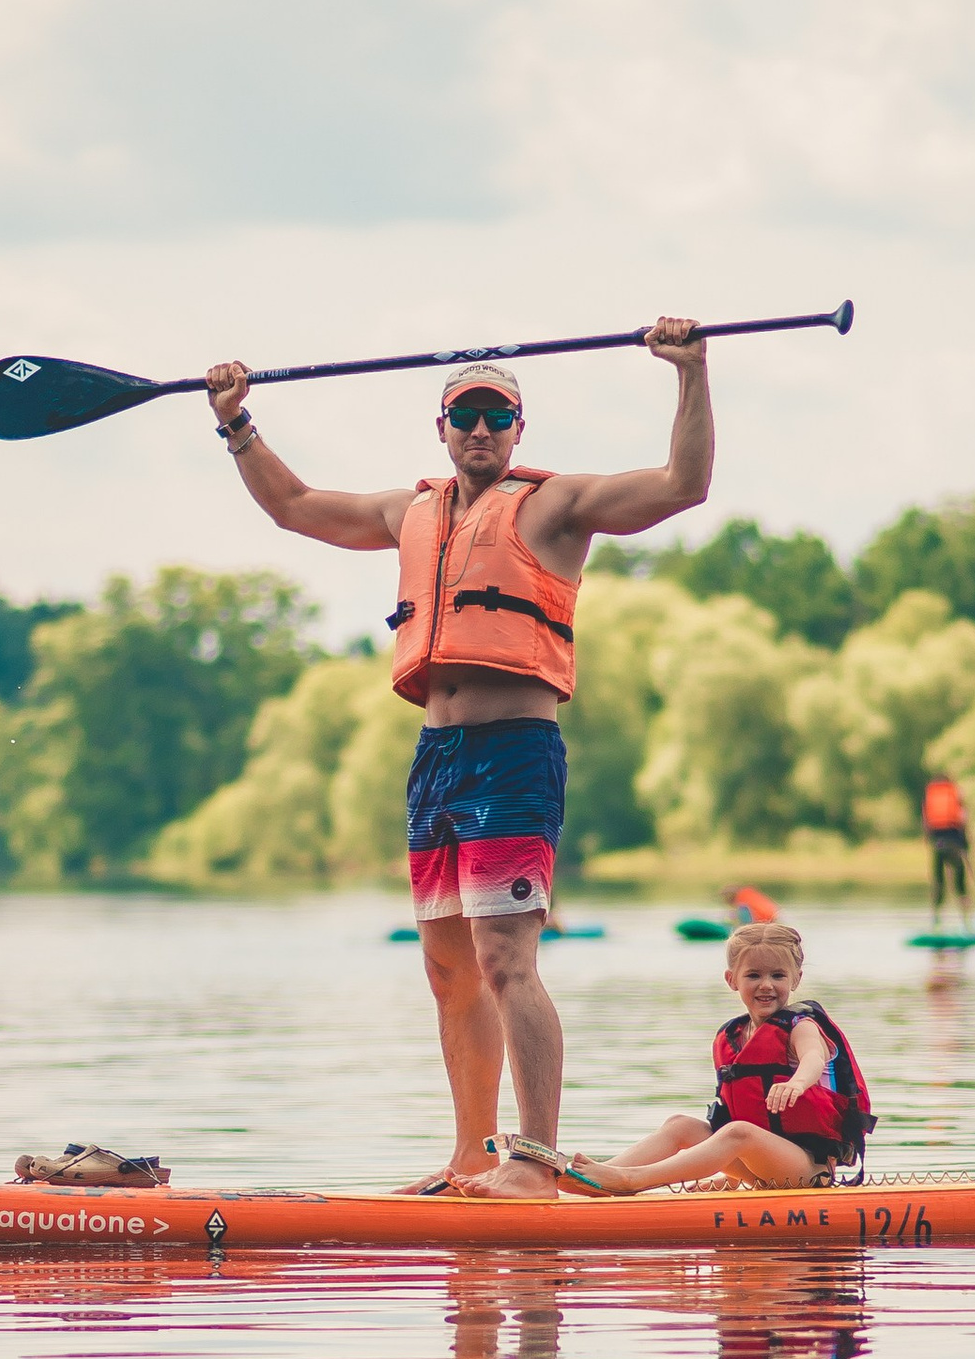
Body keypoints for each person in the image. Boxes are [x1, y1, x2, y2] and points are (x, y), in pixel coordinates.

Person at [204, 319, 713, 1196]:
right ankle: (470, 1156)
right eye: (465, 414)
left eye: (496, 414)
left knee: (508, 961)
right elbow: (295, 507)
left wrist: (691, 372)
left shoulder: (555, 506)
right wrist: (237, 423)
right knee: (448, 971)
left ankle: (537, 1163)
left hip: (514, 753)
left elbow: (682, 486)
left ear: (520, 428)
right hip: (435, 758)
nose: (480, 428)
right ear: (440, 427)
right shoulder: (411, 512)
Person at [560, 923, 872, 1196]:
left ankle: (631, 1180)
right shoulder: (734, 1035)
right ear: (732, 979)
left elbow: (814, 1058)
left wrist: (798, 1082)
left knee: (738, 1132)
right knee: (680, 1125)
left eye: (778, 975)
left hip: (807, 1167)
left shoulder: (800, 1027)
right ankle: (594, 1177)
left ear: (796, 979)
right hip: (764, 1166)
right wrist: (731, 1179)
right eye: (754, 975)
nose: (766, 984)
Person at [922, 772, 971, 920]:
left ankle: (936, 917)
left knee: (938, 880)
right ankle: (965, 916)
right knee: (960, 876)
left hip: (937, 841)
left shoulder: (930, 794)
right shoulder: (955, 792)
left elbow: (926, 821)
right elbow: (962, 817)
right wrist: (966, 842)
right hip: (954, 840)